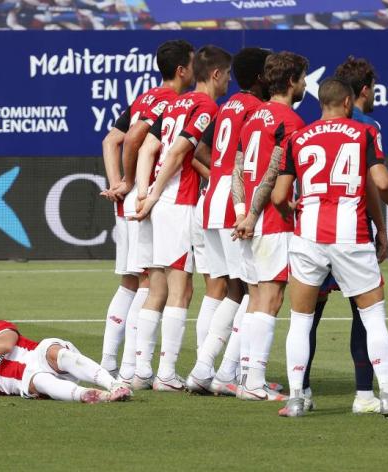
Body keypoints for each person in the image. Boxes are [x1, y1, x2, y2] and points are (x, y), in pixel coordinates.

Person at [273, 77, 388, 418]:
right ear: (348, 103)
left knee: (301, 321)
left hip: (308, 237)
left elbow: (279, 196)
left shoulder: (297, 138)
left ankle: (296, 400)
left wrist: (293, 211)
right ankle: (386, 396)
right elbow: (380, 182)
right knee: (373, 317)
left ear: (320, 103)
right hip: (351, 237)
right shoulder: (363, 134)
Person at [132, 45, 232, 391]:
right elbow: (178, 152)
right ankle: (166, 373)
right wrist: (157, 193)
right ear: (216, 74)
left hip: (161, 202)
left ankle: (142, 369)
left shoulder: (175, 102)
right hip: (178, 201)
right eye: (227, 75)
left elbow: (147, 149)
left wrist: (143, 192)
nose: (228, 82)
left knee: (156, 286)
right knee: (181, 289)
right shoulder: (205, 105)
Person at [97, 40, 195, 384]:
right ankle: (130, 368)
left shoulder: (145, 97)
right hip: (148, 195)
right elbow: (136, 136)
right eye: (192, 64)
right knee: (150, 285)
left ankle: (111, 364)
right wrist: (128, 181)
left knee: (131, 282)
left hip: (131, 197)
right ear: (181, 69)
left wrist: (117, 183)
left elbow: (111, 139)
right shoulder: (171, 101)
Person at [296, 55, 388, 415]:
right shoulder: (367, 127)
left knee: (308, 317)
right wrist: (382, 226)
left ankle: (300, 391)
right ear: (360, 92)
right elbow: (371, 184)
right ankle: (365, 393)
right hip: (353, 231)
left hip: (313, 231)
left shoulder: (312, 128)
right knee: (364, 314)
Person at [185, 47, 272, 395]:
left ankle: (209, 369)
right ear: (262, 77)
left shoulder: (228, 105)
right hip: (234, 202)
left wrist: (219, 174)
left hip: (213, 198)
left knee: (230, 290)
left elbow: (201, 149)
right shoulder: (256, 110)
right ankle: (221, 373)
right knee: (252, 290)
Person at [231, 51, 308, 401]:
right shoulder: (290, 121)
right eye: (303, 77)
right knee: (271, 298)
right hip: (269, 221)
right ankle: (254, 381)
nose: (306, 83)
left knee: (255, 297)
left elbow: (237, 168)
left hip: (247, 217)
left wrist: (240, 210)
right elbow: (273, 172)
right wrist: (253, 214)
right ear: (291, 81)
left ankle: (248, 376)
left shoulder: (252, 117)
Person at [0, 307, 131, 403]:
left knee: (50, 346)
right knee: (37, 379)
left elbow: (6, 346)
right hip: (32, 382)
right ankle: (94, 396)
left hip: (44, 358)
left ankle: (114, 385)